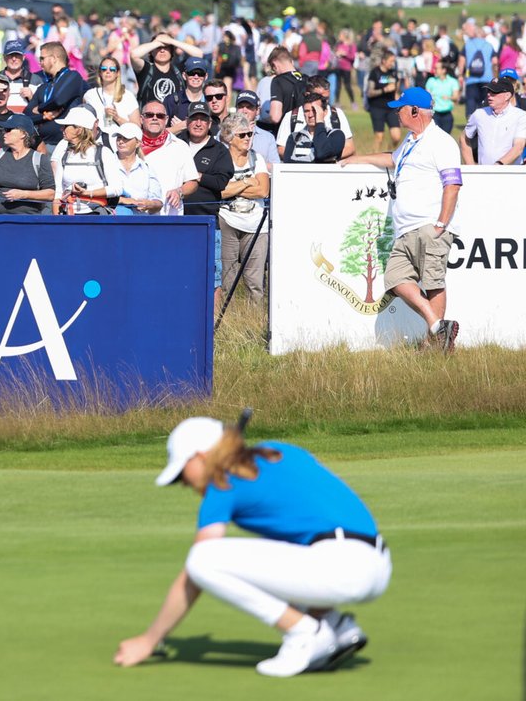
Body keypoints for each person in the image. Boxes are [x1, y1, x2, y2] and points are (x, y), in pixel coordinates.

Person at [115, 416, 389, 678]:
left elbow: (195, 574)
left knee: (202, 560)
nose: (183, 483)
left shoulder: (222, 485)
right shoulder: (279, 451)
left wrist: (149, 640)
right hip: (375, 564)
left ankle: (305, 634)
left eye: (181, 472)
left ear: (201, 456)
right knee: (274, 548)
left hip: (342, 567)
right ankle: (333, 625)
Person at [338, 88, 461, 351]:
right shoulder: (410, 140)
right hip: (405, 228)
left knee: (433, 284)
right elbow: (392, 159)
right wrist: (356, 160)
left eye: (401, 108)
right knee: (394, 279)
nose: (397, 112)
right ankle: (439, 327)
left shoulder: (441, 142)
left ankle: (434, 345)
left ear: (415, 111)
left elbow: (452, 185)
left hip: (429, 226)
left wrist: (441, 223)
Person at [218, 116, 270, 300]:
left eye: (250, 134)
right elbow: (220, 192)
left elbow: (263, 190)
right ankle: (228, 321)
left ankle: (253, 321)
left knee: (255, 282)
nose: (248, 138)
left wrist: (235, 187)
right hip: (228, 222)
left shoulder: (258, 158)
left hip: (256, 225)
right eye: (242, 135)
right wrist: (248, 181)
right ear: (229, 138)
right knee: (227, 278)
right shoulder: (221, 159)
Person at [49, 108, 125, 215]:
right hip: (68, 217)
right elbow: (58, 193)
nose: (62, 129)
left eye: (66, 126)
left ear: (79, 130)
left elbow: (117, 188)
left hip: (97, 217)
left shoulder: (104, 152)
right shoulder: (64, 154)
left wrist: (87, 193)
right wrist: (58, 222)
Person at [0, 116, 52, 214]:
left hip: (26, 222)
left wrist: (23, 194)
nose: (4, 132)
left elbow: (50, 194)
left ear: (23, 134)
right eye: (4, 129)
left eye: (9, 130)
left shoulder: (39, 160)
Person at [460, 79, 526, 166]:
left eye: (494, 92)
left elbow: (518, 147)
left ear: (507, 95)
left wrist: (498, 165)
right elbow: (464, 138)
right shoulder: (479, 114)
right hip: (484, 175)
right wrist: (471, 166)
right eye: (488, 91)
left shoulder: (521, 116)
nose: (489, 95)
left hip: (511, 175)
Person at [82, 56, 140, 142]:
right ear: (100, 73)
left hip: (119, 146)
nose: (108, 71)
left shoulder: (128, 96)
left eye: (112, 69)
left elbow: (137, 128)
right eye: (104, 69)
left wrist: (117, 118)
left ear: (118, 73)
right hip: (95, 145)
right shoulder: (90, 95)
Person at [111, 122, 164, 215]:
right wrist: (124, 200)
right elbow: (98, 194)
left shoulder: (147, 168)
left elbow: (158, 202)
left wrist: (150, 204)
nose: (121, 141)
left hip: (139, 223)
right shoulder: (107, 163)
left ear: (137, 143)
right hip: (111, 223)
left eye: (126, 138)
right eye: (119, 137)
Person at [423, 56, 460, 135]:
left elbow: (456, 97)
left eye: (437, 68)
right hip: (434, 115)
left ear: (444, 70)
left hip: (447, 115)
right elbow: (426, 97)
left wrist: (449, 97)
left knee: (445, 138)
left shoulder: (453, 81)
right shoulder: (431, 81)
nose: (434, 70)